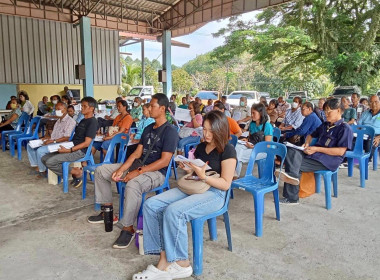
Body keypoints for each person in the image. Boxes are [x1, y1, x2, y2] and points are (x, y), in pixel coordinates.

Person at [133, 110, 236, 279]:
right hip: (195, 186)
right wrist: (189, 168)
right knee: (151, 205)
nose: (206, 134)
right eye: (204, 129)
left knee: (174, 211)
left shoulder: (228, 150)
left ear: (221, 130)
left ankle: (181, 263)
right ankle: (164, 257)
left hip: (215, 193)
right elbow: (198, 169)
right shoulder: (202, 146)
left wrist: (203, 176)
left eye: (211, 131)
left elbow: (226, 184)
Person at [87, 93, 179, 249]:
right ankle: (108, 211)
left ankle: (128, 227)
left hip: (157, 172)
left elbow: (164, 161)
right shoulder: (149, 128)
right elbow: (137, 153)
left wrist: (138, 171)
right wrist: (122, 169)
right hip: (137, 165)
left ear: (162, 109)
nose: (149, 108)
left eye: (152, 105)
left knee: (133, 184)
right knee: (101, 170)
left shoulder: (170, 131)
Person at [277, 98, 353, 204]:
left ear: (339, 111)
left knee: (294, 163)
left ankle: (292, 195)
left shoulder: (345, 128)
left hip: (328, 160)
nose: (326, 114)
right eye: (325, 111)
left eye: (329, 111)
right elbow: (311, 134)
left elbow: (340, 152)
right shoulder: (325, 124)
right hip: (315, 155)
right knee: (291, 150)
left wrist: (316, 149)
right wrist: (307, 143)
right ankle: (292, 178)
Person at [41, 97, 98, 179]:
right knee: (44, 158)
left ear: (91, 108)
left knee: (50, 162)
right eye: (81, 106)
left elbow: (87, 143)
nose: (82, 108)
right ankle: (71, 172)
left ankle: (76, 173)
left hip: (80, 151)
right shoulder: (83, 121)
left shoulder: (92, 122)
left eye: (84, 106)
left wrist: (69, 150)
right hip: (72, 146)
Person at [27, 102, 76, 178]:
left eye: (58, 109)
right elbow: (54, 135)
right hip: (53, 141)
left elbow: (67, 137)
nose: (57, 111)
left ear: (65, 109)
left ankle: (42, 171)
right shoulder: (58, 121)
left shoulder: (70, 122)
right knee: (30, 145)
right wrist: (46, 138)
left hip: (62, 144)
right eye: (56, 109)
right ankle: (37, 166)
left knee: (40, 151)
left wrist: (53, 141)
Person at [235, 103, 273, 178]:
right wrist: (246, 139)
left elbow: (267, 146)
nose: (251, 115)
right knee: (236, 147)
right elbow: (251, 137)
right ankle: (234, 176)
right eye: (251, 113)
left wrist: (254, 147)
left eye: (254, 113)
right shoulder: (252, 124)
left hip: (263, 151)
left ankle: (234, 177)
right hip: (251, 146)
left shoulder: (267, 126)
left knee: (238, 156)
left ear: (261, 113)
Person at [357, 95, 380, 161]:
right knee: (351, 139)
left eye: (376, 102)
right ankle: (348, 159)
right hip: (363, 134)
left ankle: (367, 160)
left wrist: (379, 137)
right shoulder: (365, 113)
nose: (374, 104)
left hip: (376, 135)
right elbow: (359, 125)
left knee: (370, 140)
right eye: (371, 102)